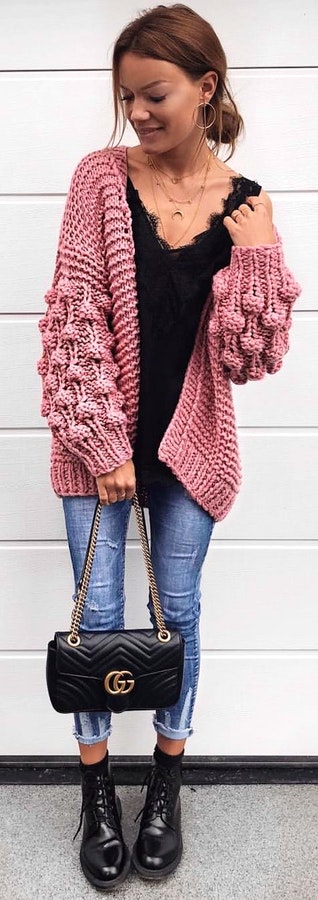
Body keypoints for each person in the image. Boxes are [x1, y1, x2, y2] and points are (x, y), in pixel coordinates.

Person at [38, 3, 301, 891]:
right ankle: (95, 792)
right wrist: (104, 441)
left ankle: (165, 784)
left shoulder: (245, 205)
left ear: (205, 87)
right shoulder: (97, 181)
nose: (138, 114)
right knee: (98, 625)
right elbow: (70, 319)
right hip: (95, 443)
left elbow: (246, 360)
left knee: (178, 617)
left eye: (153, 95)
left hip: (192, 451)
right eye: (127, 99)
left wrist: (259, 258)